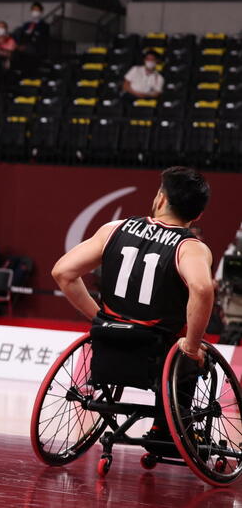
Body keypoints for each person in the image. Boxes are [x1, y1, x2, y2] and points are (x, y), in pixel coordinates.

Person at [51, 166, 212, 442]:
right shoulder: (190, 247)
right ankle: (167, 429)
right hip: (157, 353)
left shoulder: (115, 229)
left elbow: (62, 272)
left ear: (160, 199)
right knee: (195, 355)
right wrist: (193, 346)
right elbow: (202, 288)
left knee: (182, 347)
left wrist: (100, 318)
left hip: (108, 341)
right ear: (197, 214)